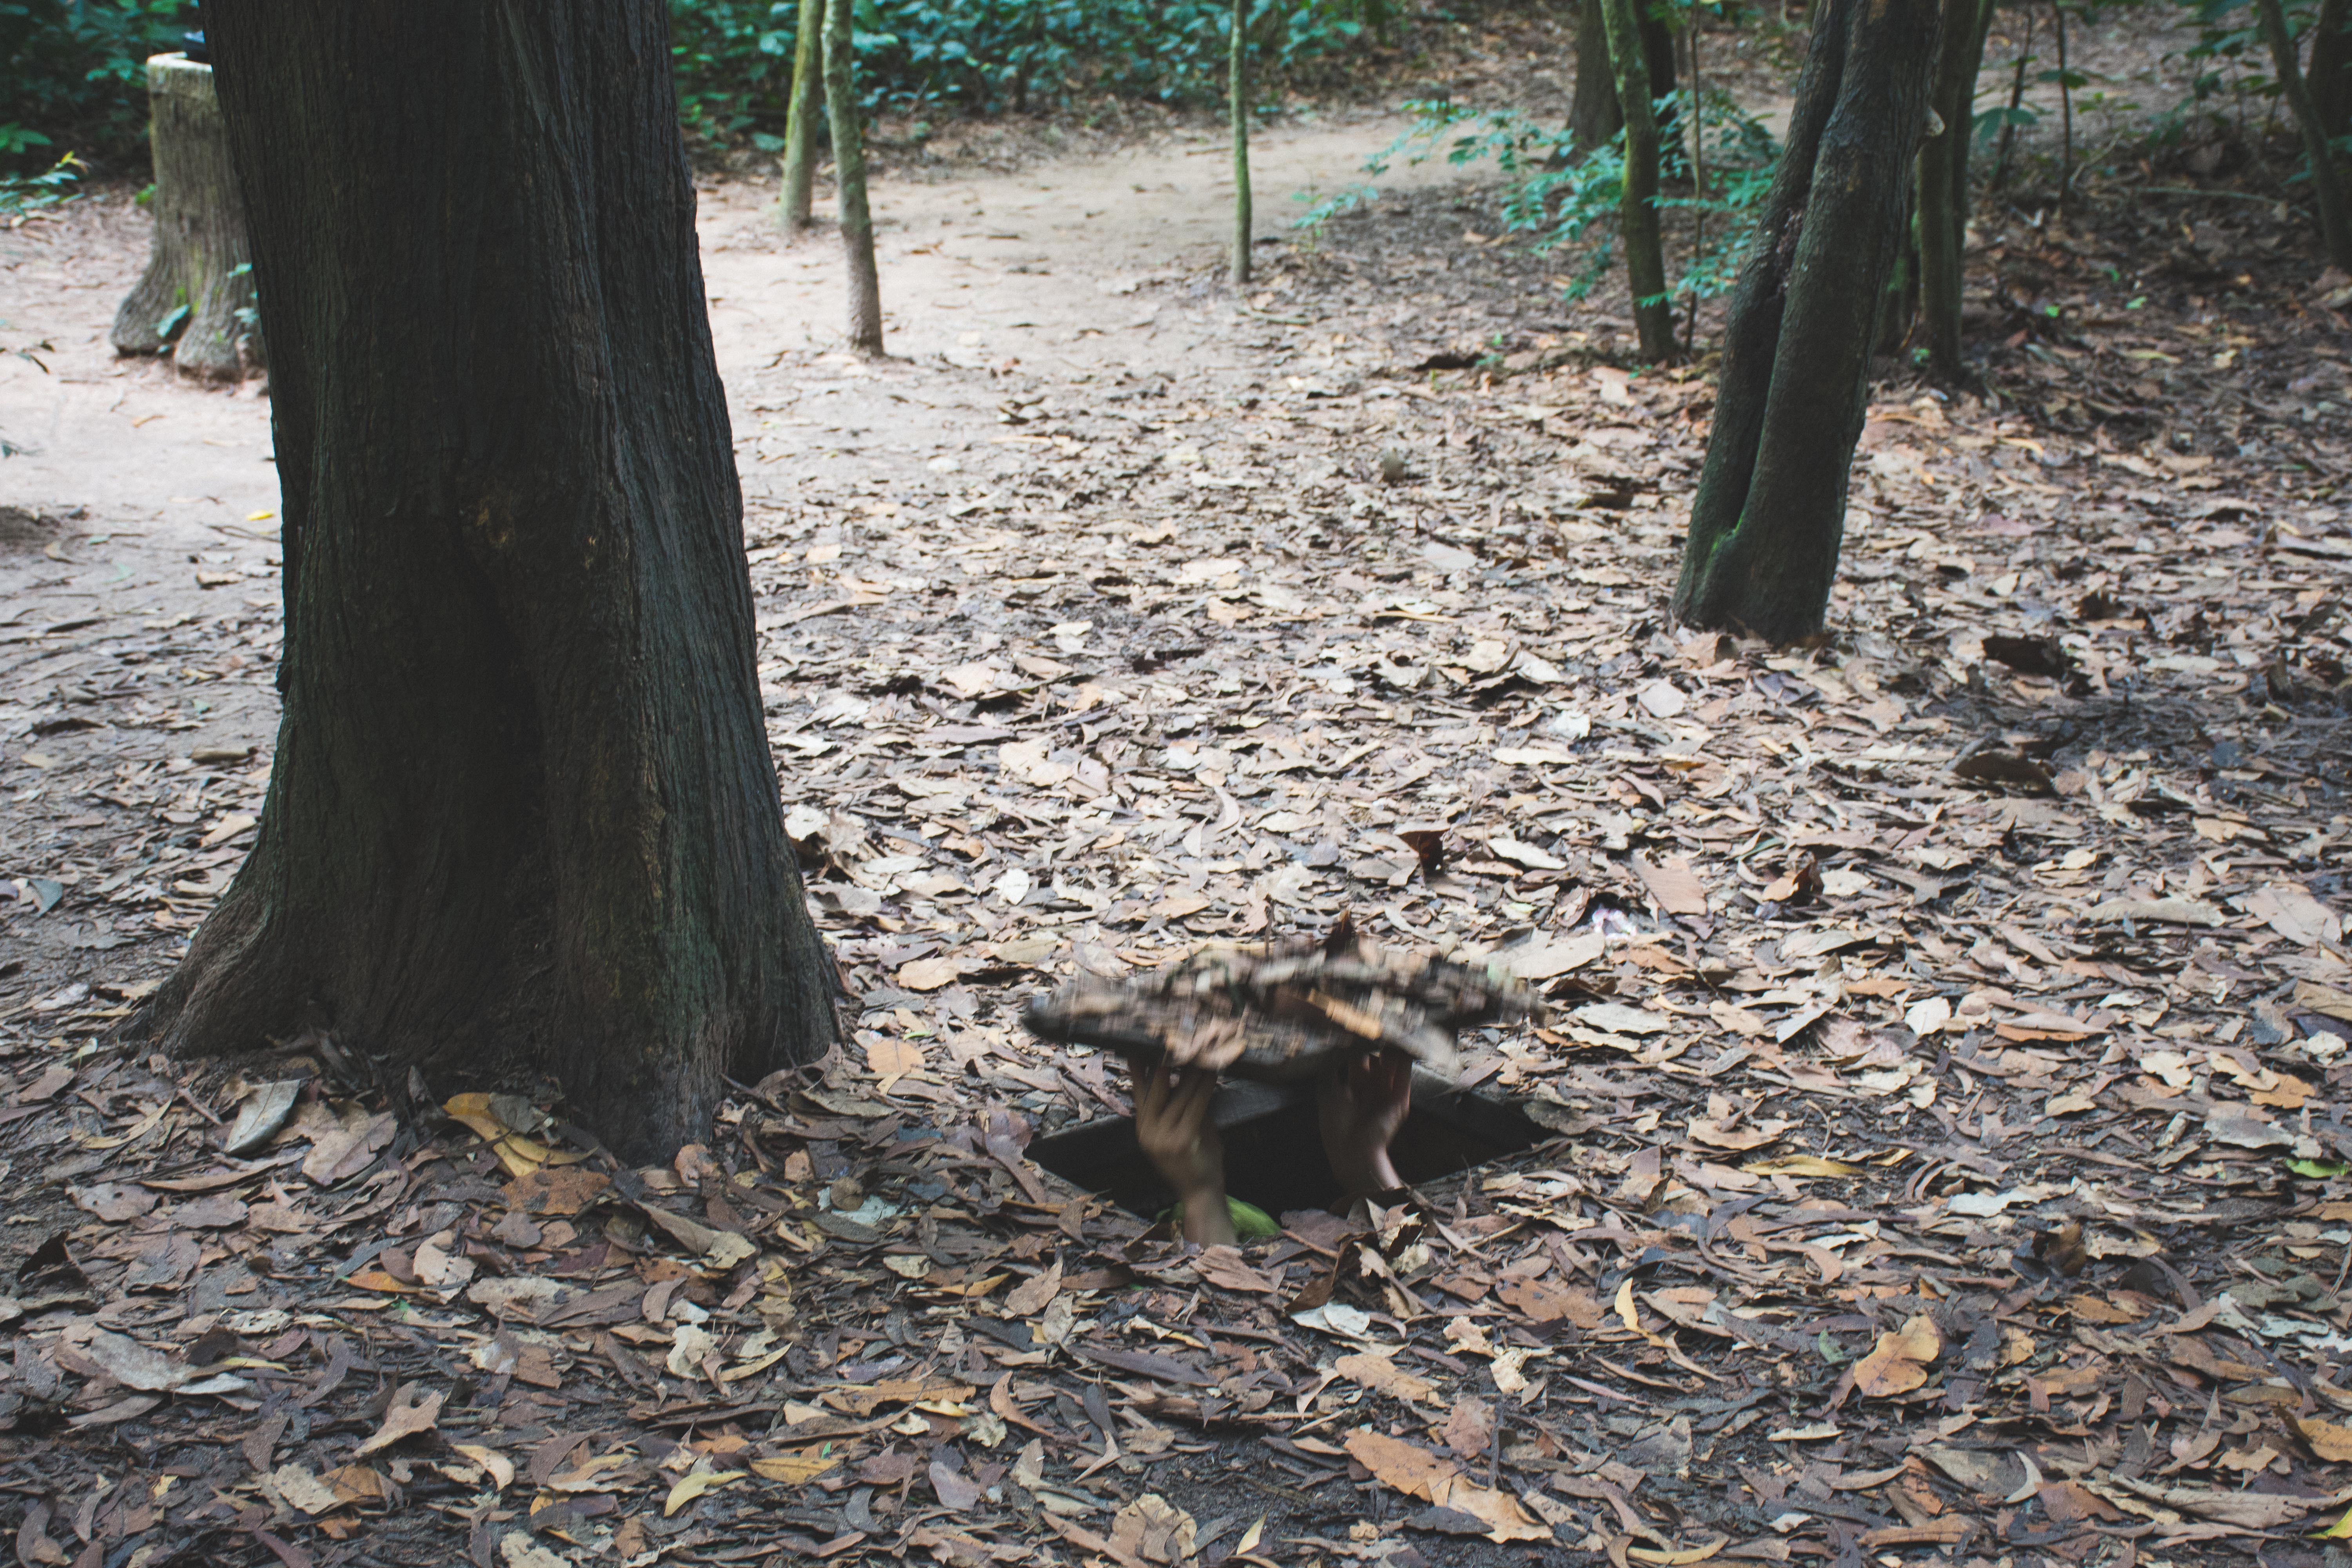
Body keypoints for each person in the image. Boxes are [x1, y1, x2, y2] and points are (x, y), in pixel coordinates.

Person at [1132, 1049, 1413, 1245]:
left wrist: (1202, 1197)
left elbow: (1421, 1272)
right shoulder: (1247, 1224)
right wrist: (1368, 1165)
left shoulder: (1255, 1225)